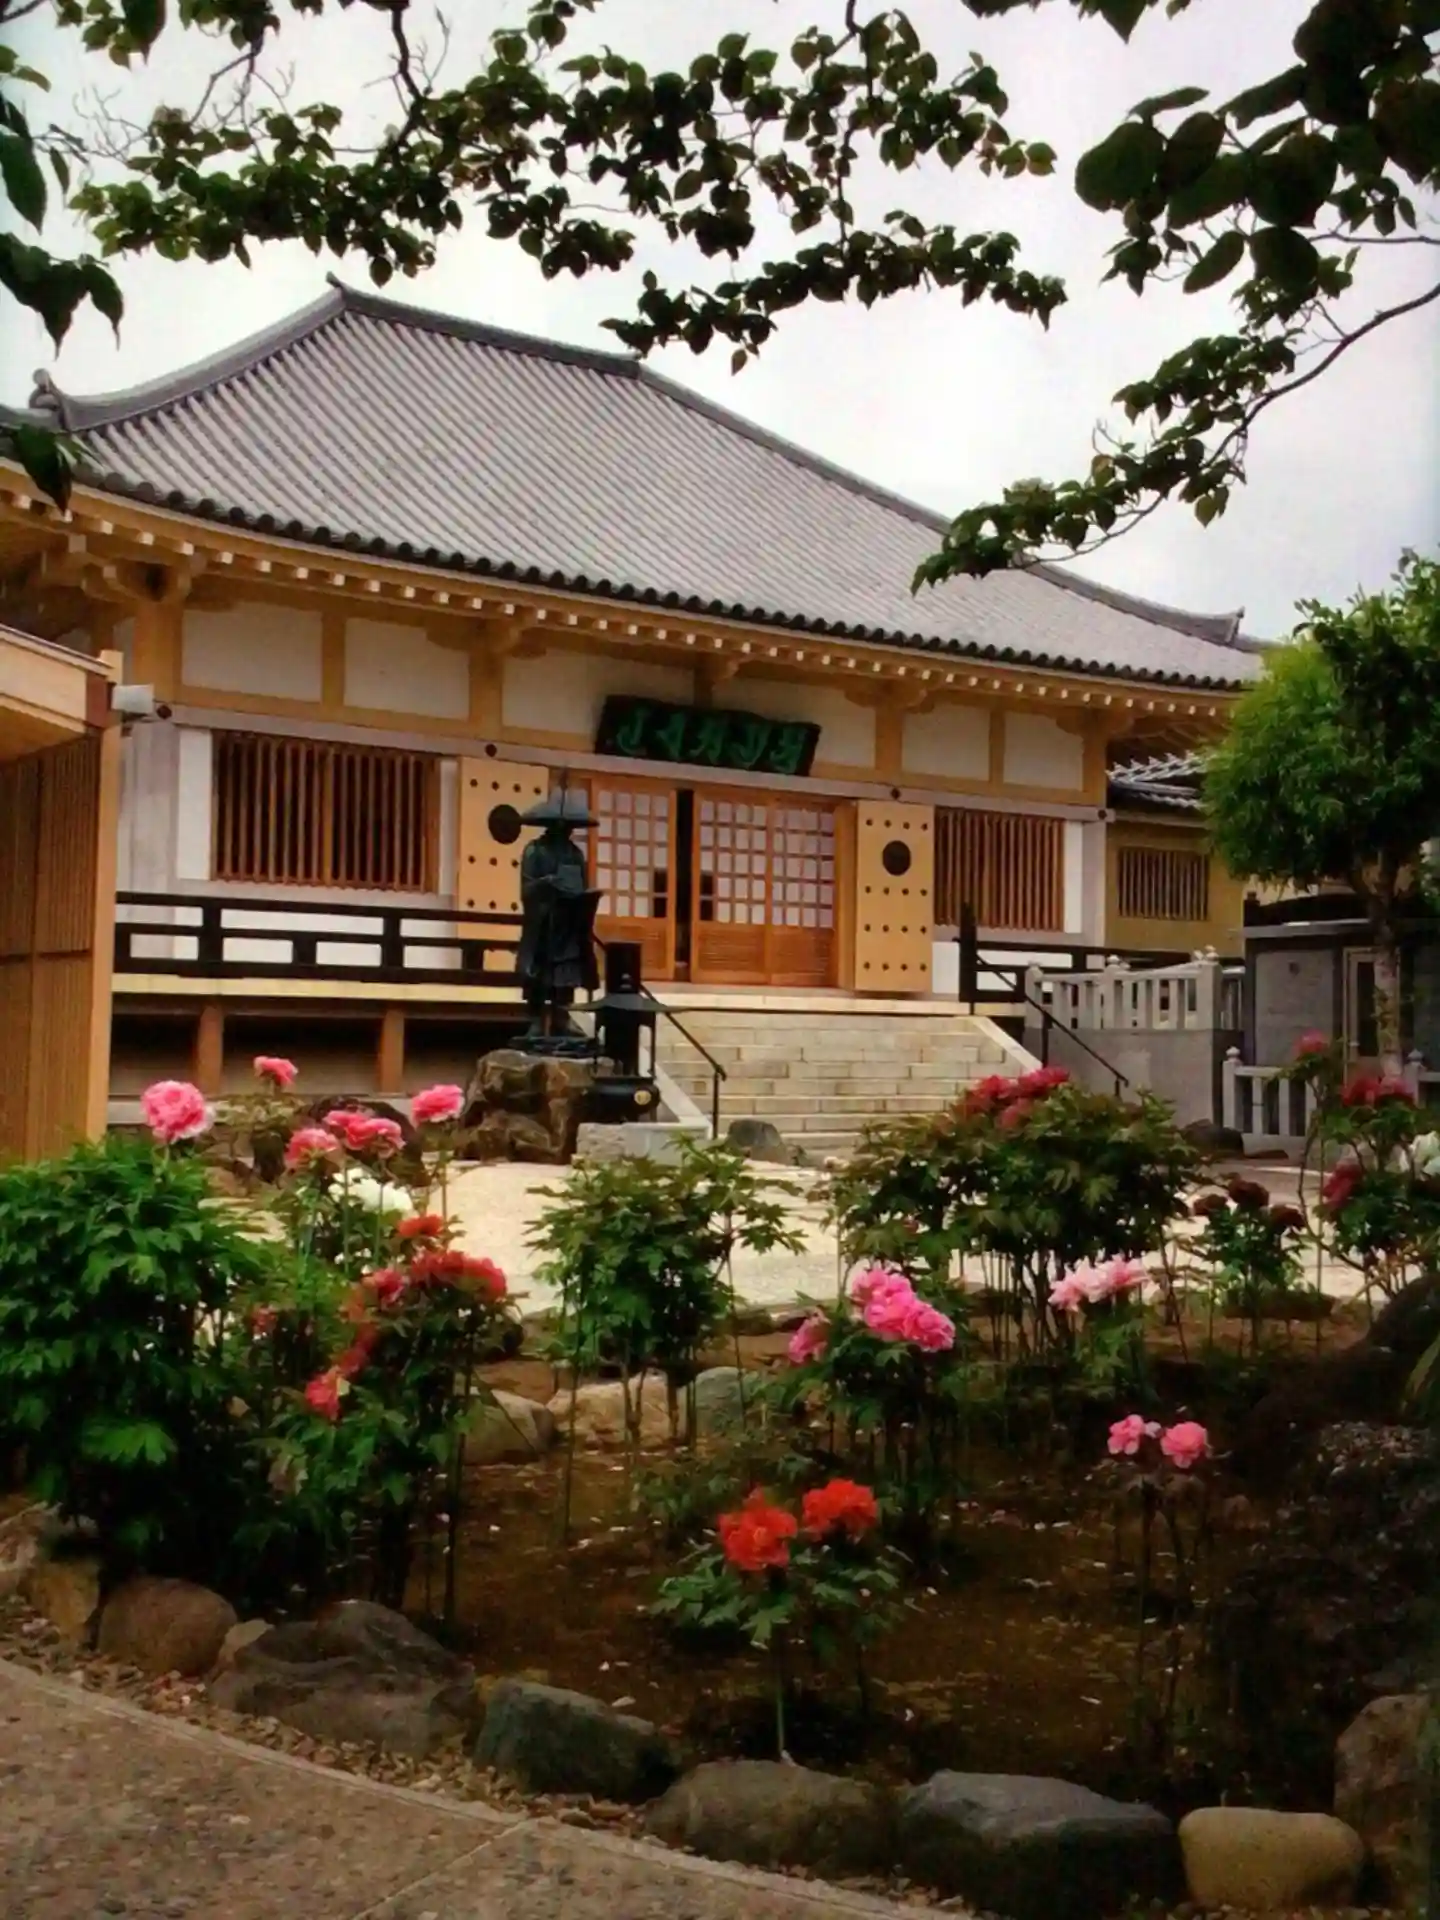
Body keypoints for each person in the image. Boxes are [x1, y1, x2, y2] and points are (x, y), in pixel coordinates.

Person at [516, 788, 601, 1034]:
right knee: (540, 970)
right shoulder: (534, 850)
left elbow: (581, 885)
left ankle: (562, 1016)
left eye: (570, 827)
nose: (567, 831)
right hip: (543, 920)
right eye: (563, 826)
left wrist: (588, 897)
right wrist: (546, 882)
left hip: (568, 920)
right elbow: (526, 890)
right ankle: (535, 1018)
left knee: (566, 971)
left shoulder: (575, 854)